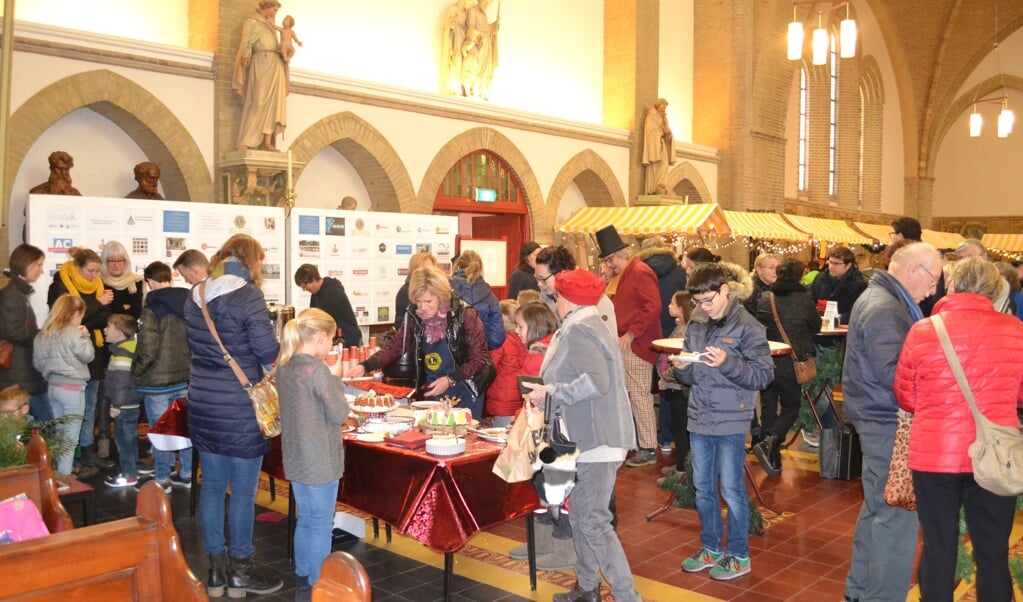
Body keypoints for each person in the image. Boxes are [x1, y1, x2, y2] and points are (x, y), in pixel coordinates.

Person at [894, 257, 1023, 601]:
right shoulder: (1014, 330)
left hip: (935, 456)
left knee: (938, 546)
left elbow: (907, 396)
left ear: (952, 285)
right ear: (995, 290)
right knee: (993, 552)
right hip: (996, 454)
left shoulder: (924, 330)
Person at [521, 269, 640, 602]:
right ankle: (587, 588)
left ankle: (627, 596)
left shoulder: (580, 332)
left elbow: (595, 382)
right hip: (590, 438)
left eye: (556, 296)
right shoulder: (588, 325)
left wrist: (551, 392)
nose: (553, 302)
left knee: (593, 521)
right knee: (584, 518)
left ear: (567, 299)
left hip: (596, 441)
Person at [183, 234, 282, 598]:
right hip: (241, 406)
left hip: (205, 403)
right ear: (252, 261)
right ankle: (241, 573)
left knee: (211, 486)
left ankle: (215, 574)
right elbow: (267, 350)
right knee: (242, 492)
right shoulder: (248, 295)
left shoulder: (196, 294)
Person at [842, 241, 941, 602]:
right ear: (914, 270)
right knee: (897, 521)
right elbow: (897, 377)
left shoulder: (882, 299)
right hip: (888, 424)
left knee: (877, 512)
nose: (933, 290)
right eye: (932, 281)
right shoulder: (886, 308)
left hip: (877, 421)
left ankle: (858, 592)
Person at [673, 262, 774, 581]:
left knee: (731, 489)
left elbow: (764, 375)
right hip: (700, 416)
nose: (703, 308)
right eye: (698, 302)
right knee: (703, 487)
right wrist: (682, 367)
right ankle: (712, 547)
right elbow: (689, 375)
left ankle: (739, 554)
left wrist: (729, 363)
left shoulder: (749, 327)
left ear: (725, 291)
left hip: (732, 418)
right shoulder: (698, 323)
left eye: (708, 300)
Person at [348, 267, 492, 420]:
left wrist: (450, 380)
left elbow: (479, 358)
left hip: (465, 388)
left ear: (441, 296)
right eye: (419, 302)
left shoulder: (466, 315)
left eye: (428, 301)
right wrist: (365, 366)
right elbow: (396, 346)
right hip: (433, 388)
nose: (423, 307)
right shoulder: (414, 316)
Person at [276, 308, 348, 588]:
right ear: (319, 338)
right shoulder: (316, 370)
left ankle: (305, 572)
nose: (331, 345)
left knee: (306, 516)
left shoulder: (285, 365)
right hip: (320, 457)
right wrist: (336, 379)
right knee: (321, 521)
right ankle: (321, 582)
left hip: (295, 454)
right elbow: (339, 413)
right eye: (331, 339)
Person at [596, 225, 662, 468]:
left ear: (617, 256)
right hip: (623, 342)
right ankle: (635, 442)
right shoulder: (623, 275)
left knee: (639, 395)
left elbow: (652, 306)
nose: (607, 265)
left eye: (608, 260)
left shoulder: (640, 272)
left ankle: (647, 447)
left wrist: (632, 333)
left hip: (635, 344)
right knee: (629, 395)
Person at [47, 246, 115, 478]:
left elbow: (104, 317)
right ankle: (67, 460)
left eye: (98, 271)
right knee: (67, 417)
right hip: (68, 362)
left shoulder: (98, 287)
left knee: (90, 409)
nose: (95, 276)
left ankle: (86, 451)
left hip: (93, 355)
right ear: (77, 267)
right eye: (90, 271)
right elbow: (65, 318)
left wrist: (89, 318)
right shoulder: (60, 286)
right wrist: (96, 303)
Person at [753, 258, 820, 476]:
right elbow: (816, 326)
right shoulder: (804, 300)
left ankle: (771, 453)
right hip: (792, 361)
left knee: (768, 405)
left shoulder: (766, 298)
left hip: (768, 358)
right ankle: (771, 441)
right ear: (800, 275)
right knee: (791, 406)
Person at [132, 261, 193, 491]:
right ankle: (186, 474)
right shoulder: (190, 304)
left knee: (160, 431)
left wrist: (136, 371)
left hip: (157, 382)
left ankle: (162, 478)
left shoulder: (151, 309)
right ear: (170, 278)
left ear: (149, 282)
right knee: (183, 428)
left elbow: (147, 348)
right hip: (185, 377)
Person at [33, 295, 93, 479]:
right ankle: (64, 476)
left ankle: (53, 474)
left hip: (52, 386)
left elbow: (37, 363)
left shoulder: (43, 334)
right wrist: (85, 336)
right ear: (75, 313)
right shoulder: (75, 333)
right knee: (70, 436)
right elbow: (88, 356)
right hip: (73, 388)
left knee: (57, 435)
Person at [640, 237, 687, 456]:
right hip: (675, 333)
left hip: (647, 334)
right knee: (670, 385)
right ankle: (671, 438)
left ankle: (652, 438)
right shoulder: (678, 271)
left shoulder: (641, 271)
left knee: (643, 390)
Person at [97, 241, 144, 458]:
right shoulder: (97, 283)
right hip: (104, 348)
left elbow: (134, 315)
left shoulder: (136, 282)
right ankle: (104, 439)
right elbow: (104, 316)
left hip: (129, 348)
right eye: (111, 260)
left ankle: (126, 446)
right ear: (105, 262)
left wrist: (115, 309)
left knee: (128, 393)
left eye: (120, 260)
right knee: (105, 395)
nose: (116, 265)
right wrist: (121, 310)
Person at [0, 244, 50, 421]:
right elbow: (14, 332)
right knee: (46, 426)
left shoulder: (17, 293)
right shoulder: (13, 296)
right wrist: (42, 334)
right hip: (18, 375)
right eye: (38, 265)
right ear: (25, 263)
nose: (41, 271)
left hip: (20, 373)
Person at [233, 1, 288, 151]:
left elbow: (280, 44)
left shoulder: (272, 27)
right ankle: (246, 140)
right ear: (266, 7)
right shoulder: (251, 22)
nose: (275, 13)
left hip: (275, 64)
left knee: (273, 103)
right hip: (261, 62)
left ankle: (267, 141)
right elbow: (246, 42)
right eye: (274, 9)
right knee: (258, 100)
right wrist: (245, 54)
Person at [534, 245, 617, 338]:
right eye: (537, 278)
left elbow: (608, 341)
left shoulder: (599, 302)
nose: (539, 284)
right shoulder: (546, 299)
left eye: (543, 279)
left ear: (562, 274)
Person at [102, 314, 144, 489]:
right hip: (131, 401)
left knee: (123, 439)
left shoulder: (122, 353)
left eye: (108, 327)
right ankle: (132, 469)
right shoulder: (131, 348)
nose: (104, 330)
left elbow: (121, 382)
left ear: (119, 333)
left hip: (124, 404)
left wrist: (116, 405)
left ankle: (129, 475)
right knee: (129, 438)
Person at [656, 291, 691, 482]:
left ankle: (683, 469)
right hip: (673, 384)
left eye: (672, 303)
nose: (668, 306)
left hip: (678, 385)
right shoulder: (680, 326)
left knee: (682, 427)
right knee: (678, 427)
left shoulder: (686, 331)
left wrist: (665, 378)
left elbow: (679, 360)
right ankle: (680, 464)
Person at [294, 263, 361, 348]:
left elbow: (322, 321)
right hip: (334, 338)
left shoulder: (332, 291)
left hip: (347, 338)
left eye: (304, 286)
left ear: (313, 280)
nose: (304, 290)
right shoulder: (315, 294)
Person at [450, 249, 506, 350]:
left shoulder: (445, 291)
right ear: (480, 269)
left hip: (449, 356)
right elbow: (496, 339)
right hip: (478, 355)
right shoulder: (491, 298)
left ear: (458, 266)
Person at [891, 216, 945, 316]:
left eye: (893, 234)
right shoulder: (932, 255)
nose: (892, 238)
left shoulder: (910, 258)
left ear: (900, 236)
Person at [485, 299, 524, 427]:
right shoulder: (524, 338)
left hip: (502, 399)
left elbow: (489, 368)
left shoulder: (500, 341)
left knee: (500, 438)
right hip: (519, 398)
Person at [809, 245, 867, 325]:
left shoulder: (859, 285)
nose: (831, 267)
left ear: (848, 265)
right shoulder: (820, 279)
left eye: (836, 263)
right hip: (820, 328)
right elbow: (810, 301)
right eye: (830, 262)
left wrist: (835, 320)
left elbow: (855, 313)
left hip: (843, 332)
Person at [955, 238, 1013, 314]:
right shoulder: (955, 282)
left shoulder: (999, 283)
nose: (964, 262)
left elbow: (996, 314)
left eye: (970, 257)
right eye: (960, 258)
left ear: (984, 257)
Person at [642, 98, 676, 195]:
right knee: (659, 164)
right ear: (657, 107)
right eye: (662, 109)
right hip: (655, 147)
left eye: (665, 109)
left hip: (662, 146)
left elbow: (668, 133)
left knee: (664, 163)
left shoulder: (665, 119)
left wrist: (668, 134)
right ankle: (656, 186)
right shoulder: (650, 118)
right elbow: (650, 134)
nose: (664, 111)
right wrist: (661, 132)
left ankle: (662, 184)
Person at [464, 0, 496, 100]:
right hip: (479, 43)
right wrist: (479, 37)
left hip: (487, 45)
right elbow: (471, 28)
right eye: (485, 3)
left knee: (485, 68)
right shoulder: (472, 11)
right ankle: (472, 88)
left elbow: (486, 28)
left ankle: (482, 89)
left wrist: (494, 25)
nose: (486, 6)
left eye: (488, 4)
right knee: (475, 67)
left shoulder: (484, 14)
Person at [394, 251, 436, 328]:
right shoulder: (406, 292)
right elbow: (402, 324)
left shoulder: (435, 291)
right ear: (414, 270)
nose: (429, 273)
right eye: (424, 269)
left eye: (431, 269)